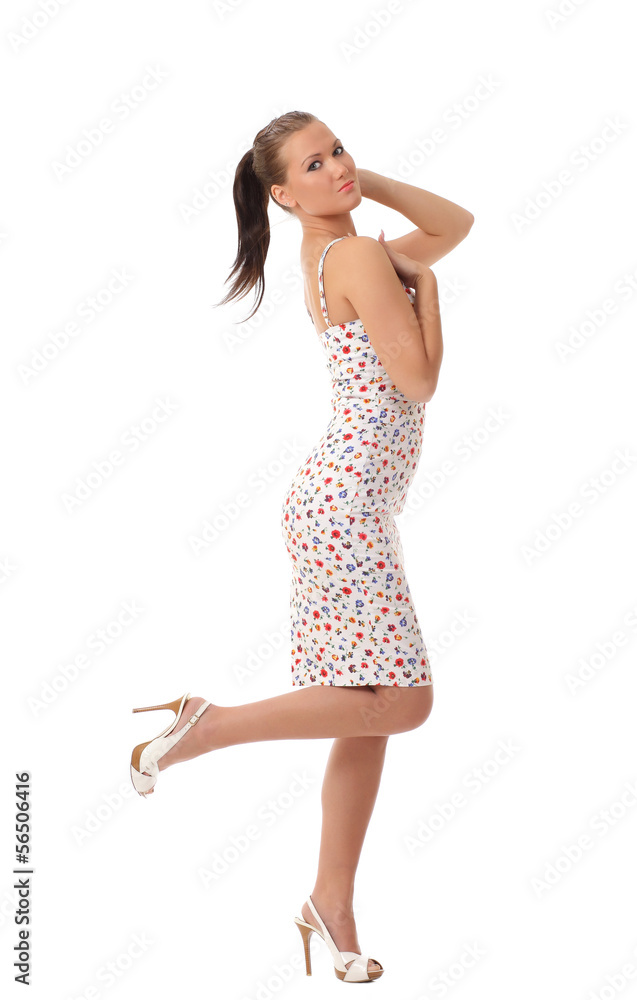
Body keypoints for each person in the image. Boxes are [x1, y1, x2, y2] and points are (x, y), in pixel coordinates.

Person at [129, 111, 473, 983]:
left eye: (338, 150)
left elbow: (453, 224)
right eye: (312, 166)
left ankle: (330, 903)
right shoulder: (355, 257)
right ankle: (208, 726)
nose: (337, 166)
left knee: (364, 712)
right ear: (281, 195)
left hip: (344, 502)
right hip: (345, 506)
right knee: (403, 704)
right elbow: (418, 380)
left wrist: (365, 184)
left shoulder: (336, 252)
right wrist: (429, 295)